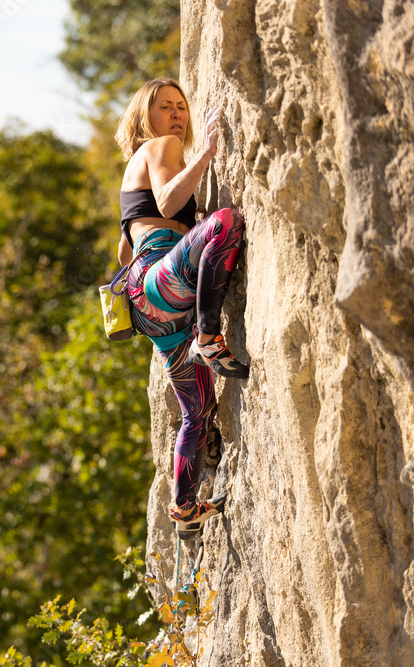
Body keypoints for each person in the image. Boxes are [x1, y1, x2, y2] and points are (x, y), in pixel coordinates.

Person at [114, 77, 250, 540]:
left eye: (180, 107)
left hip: (150, 309)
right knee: (225, 225)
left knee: (199, 410)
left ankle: (185, 507)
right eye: (164, 107)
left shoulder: (135, 166)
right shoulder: (162, 147)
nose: (176, 115)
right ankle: (210, 337)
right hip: (160, 284)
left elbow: (122, 253)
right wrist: (207, 152)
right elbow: (171, 200)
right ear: (144, 119)